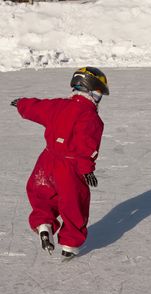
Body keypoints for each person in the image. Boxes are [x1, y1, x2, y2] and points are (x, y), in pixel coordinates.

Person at [11, 67, 109, 258]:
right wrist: (87, 168)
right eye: (98, 93)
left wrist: (22, 104)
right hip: (70, 167)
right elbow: (86, 145)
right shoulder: (91, 117)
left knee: (43, 195)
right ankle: (70, 245)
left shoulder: (59, 105)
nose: (98, 98)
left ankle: (43, 224)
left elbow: (38, 108)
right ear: (88, 90)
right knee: (74, 203)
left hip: (46, 161)